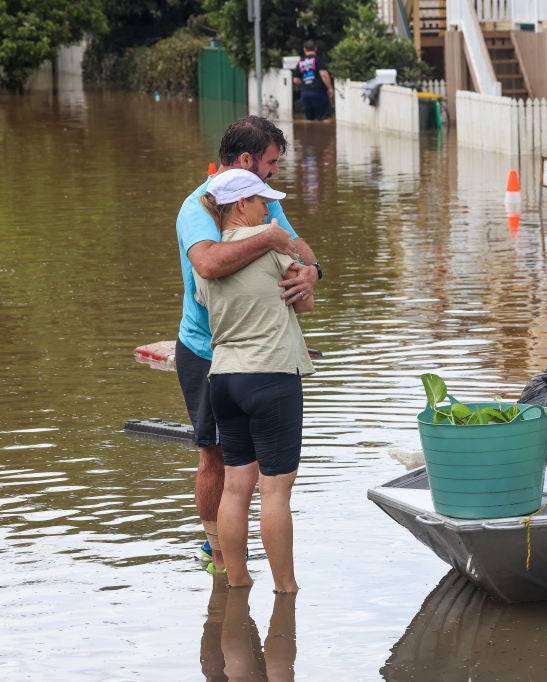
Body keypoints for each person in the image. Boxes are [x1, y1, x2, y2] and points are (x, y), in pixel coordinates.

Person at [176, 115, 322, 574]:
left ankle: (232, 577)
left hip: (244, 356)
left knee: (243, 476)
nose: (275, 173)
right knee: (214, 458)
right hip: (205, 349)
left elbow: (300, 249)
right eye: (271, 163)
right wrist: (273, 239)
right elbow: (209, 264)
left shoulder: (259, 203)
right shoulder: (197, 209)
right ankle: (215, 551)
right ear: (246, 161)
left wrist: (312, 274)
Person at [196, 169, 314, 593]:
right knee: (276, 492)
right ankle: (286, 589)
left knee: (234, 488)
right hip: (271, 375)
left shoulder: (204, 259)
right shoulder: (270, 243)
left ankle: (237, 580)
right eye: (263, 201)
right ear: (241, 205)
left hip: (225, 379)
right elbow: (305, 303)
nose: (270, 209)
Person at [292, 39, 334, 121]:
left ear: (304, 49)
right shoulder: (318, 59)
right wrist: (330, 88)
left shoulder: (300, 62)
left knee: (309, 120)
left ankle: (309, 134)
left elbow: (296, 80)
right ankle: (325, 134)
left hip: (305, 94)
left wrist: (304, 82)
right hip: (319, 92)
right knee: (326, 118)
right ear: (315, 49)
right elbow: (324, 74)